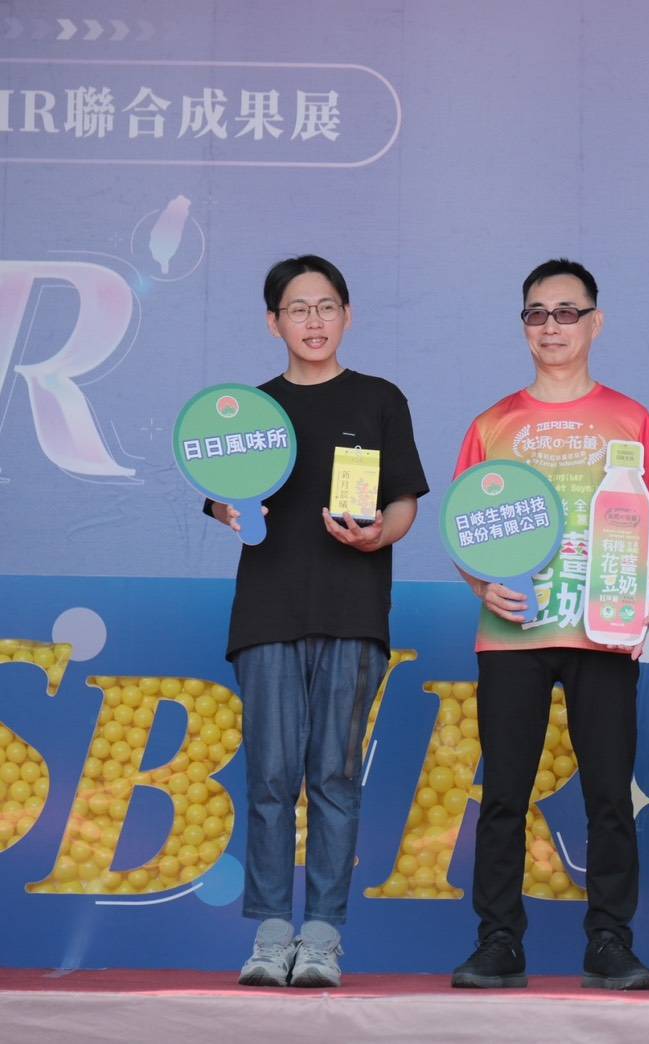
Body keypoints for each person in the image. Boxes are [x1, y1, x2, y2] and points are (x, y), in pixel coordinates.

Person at [449, 258, 649, 991]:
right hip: (512, 633)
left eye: (567, 312)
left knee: (608, 794)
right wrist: (483, 585)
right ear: (524, 327)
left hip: (601, 631)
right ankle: (498, 942)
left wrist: (635, 595)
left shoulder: (630, 418)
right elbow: (466, 529)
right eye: (537, 314)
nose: (552, 327)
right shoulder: (492, 423)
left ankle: (609, 940)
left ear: (595, 323)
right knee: (503, 794)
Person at [210, 255, 428, 988]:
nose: (313, 320)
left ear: (347, 315)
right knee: (271, 776)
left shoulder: (379, 399)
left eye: (326, 306)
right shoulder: (250, 411)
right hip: (268, 611)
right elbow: (217, 492)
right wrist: (230, 508)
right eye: (298, 309)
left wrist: (380, 534)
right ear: (273, 322)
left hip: (352, 609)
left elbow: (404, 500)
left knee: (334, 773)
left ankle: (324, 937)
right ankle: (272, 935)